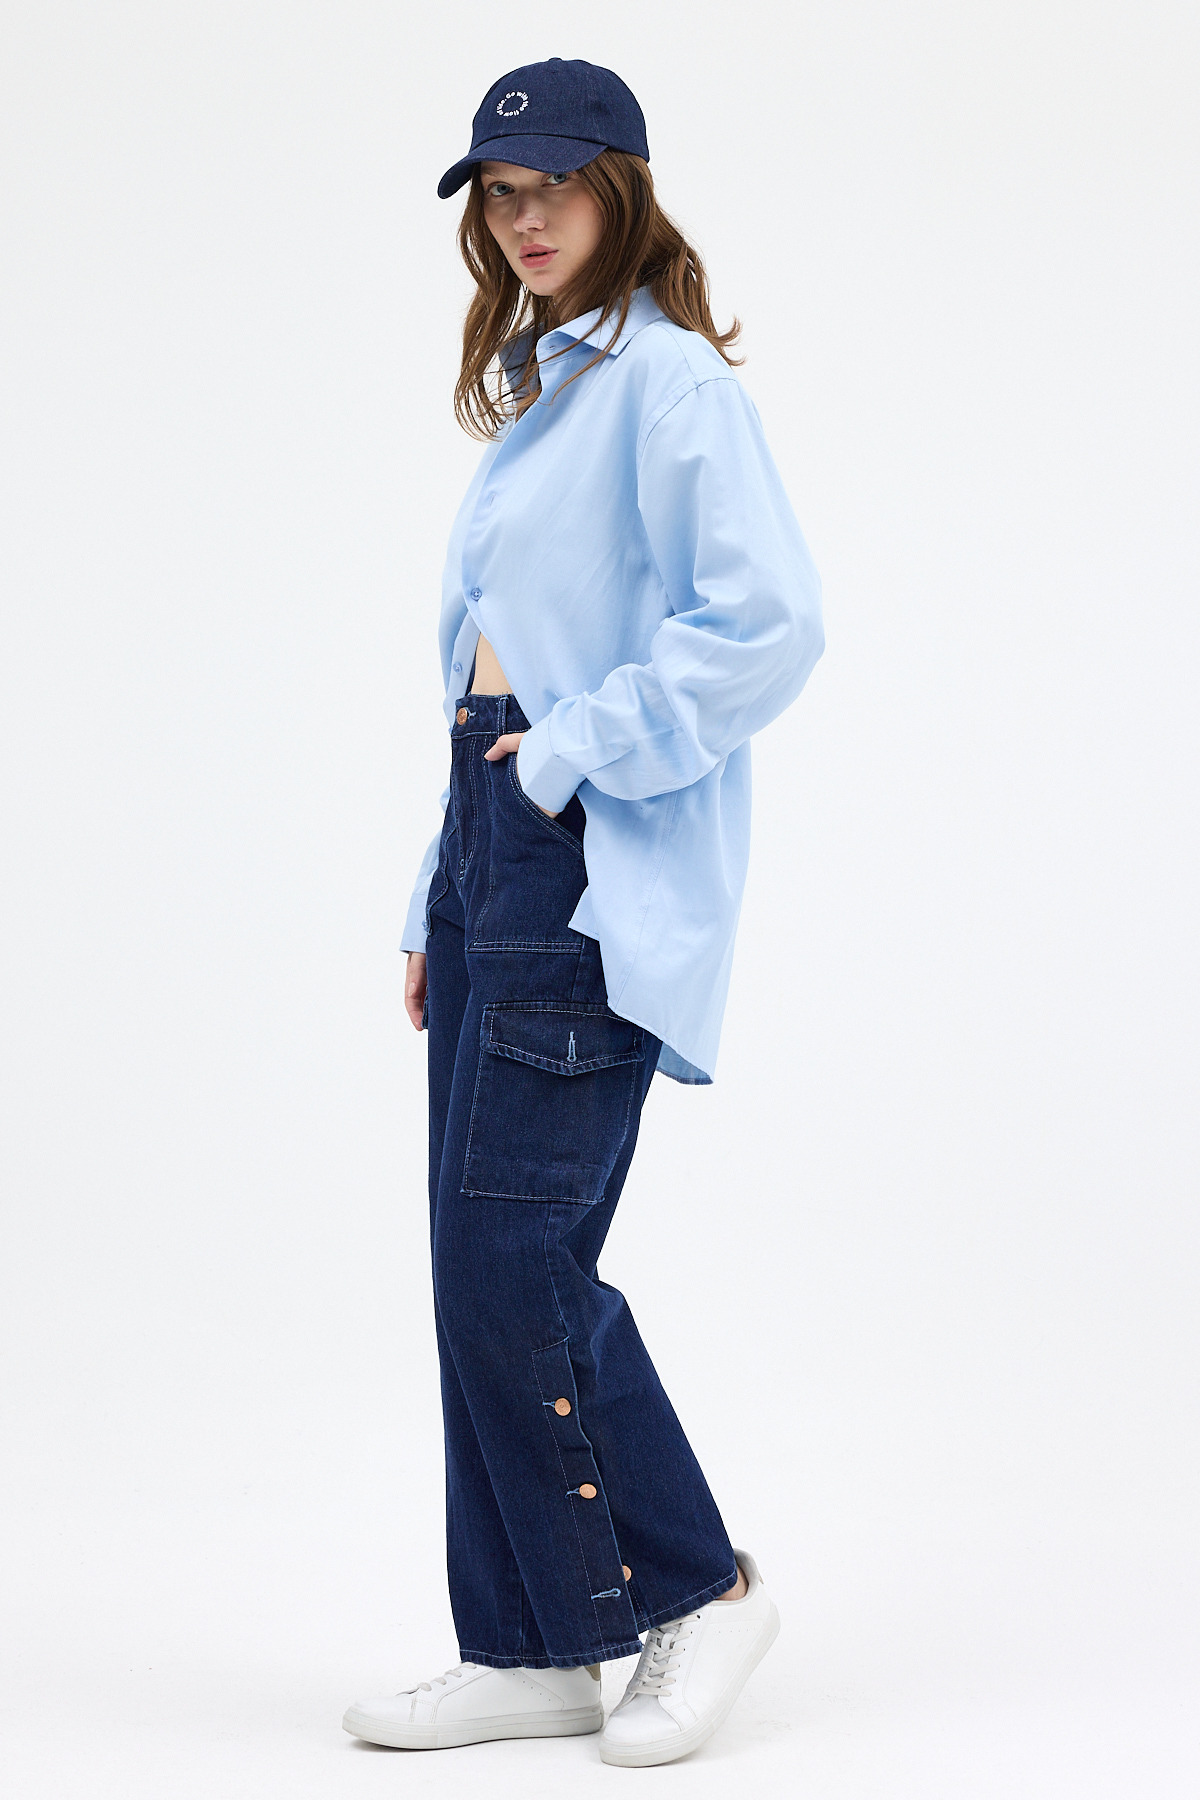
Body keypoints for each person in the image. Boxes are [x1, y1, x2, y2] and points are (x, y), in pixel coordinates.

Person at [342, 58, 823, 1768]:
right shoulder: (546, 389)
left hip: (582, 851)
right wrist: (443, 876)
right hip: (498, 847)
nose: (523, 217)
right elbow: (491, 673)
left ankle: (702, 1584)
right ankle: (537, 1644)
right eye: (498, 191)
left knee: (514, 1261)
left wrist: (561, 763)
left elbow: (767, 626)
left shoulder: (669, 384)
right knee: (469, 1264)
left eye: (552, 185)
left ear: (622, 186)